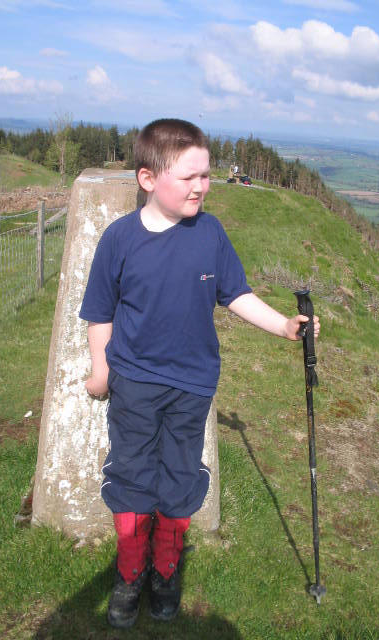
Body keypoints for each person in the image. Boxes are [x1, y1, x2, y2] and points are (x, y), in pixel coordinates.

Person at [79, 118, 320, 629]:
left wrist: (283, 326)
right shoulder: (119, 240)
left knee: (181, 477)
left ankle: (166, 571)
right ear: (148, 179)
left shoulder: (209, 232)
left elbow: (234, 293)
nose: (202, 187)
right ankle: (129, 575)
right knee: (132, 474)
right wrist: (100, 370)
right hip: (135, 383)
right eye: (189, 177)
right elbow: (99, 312)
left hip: (192, 385)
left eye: (206, 176)